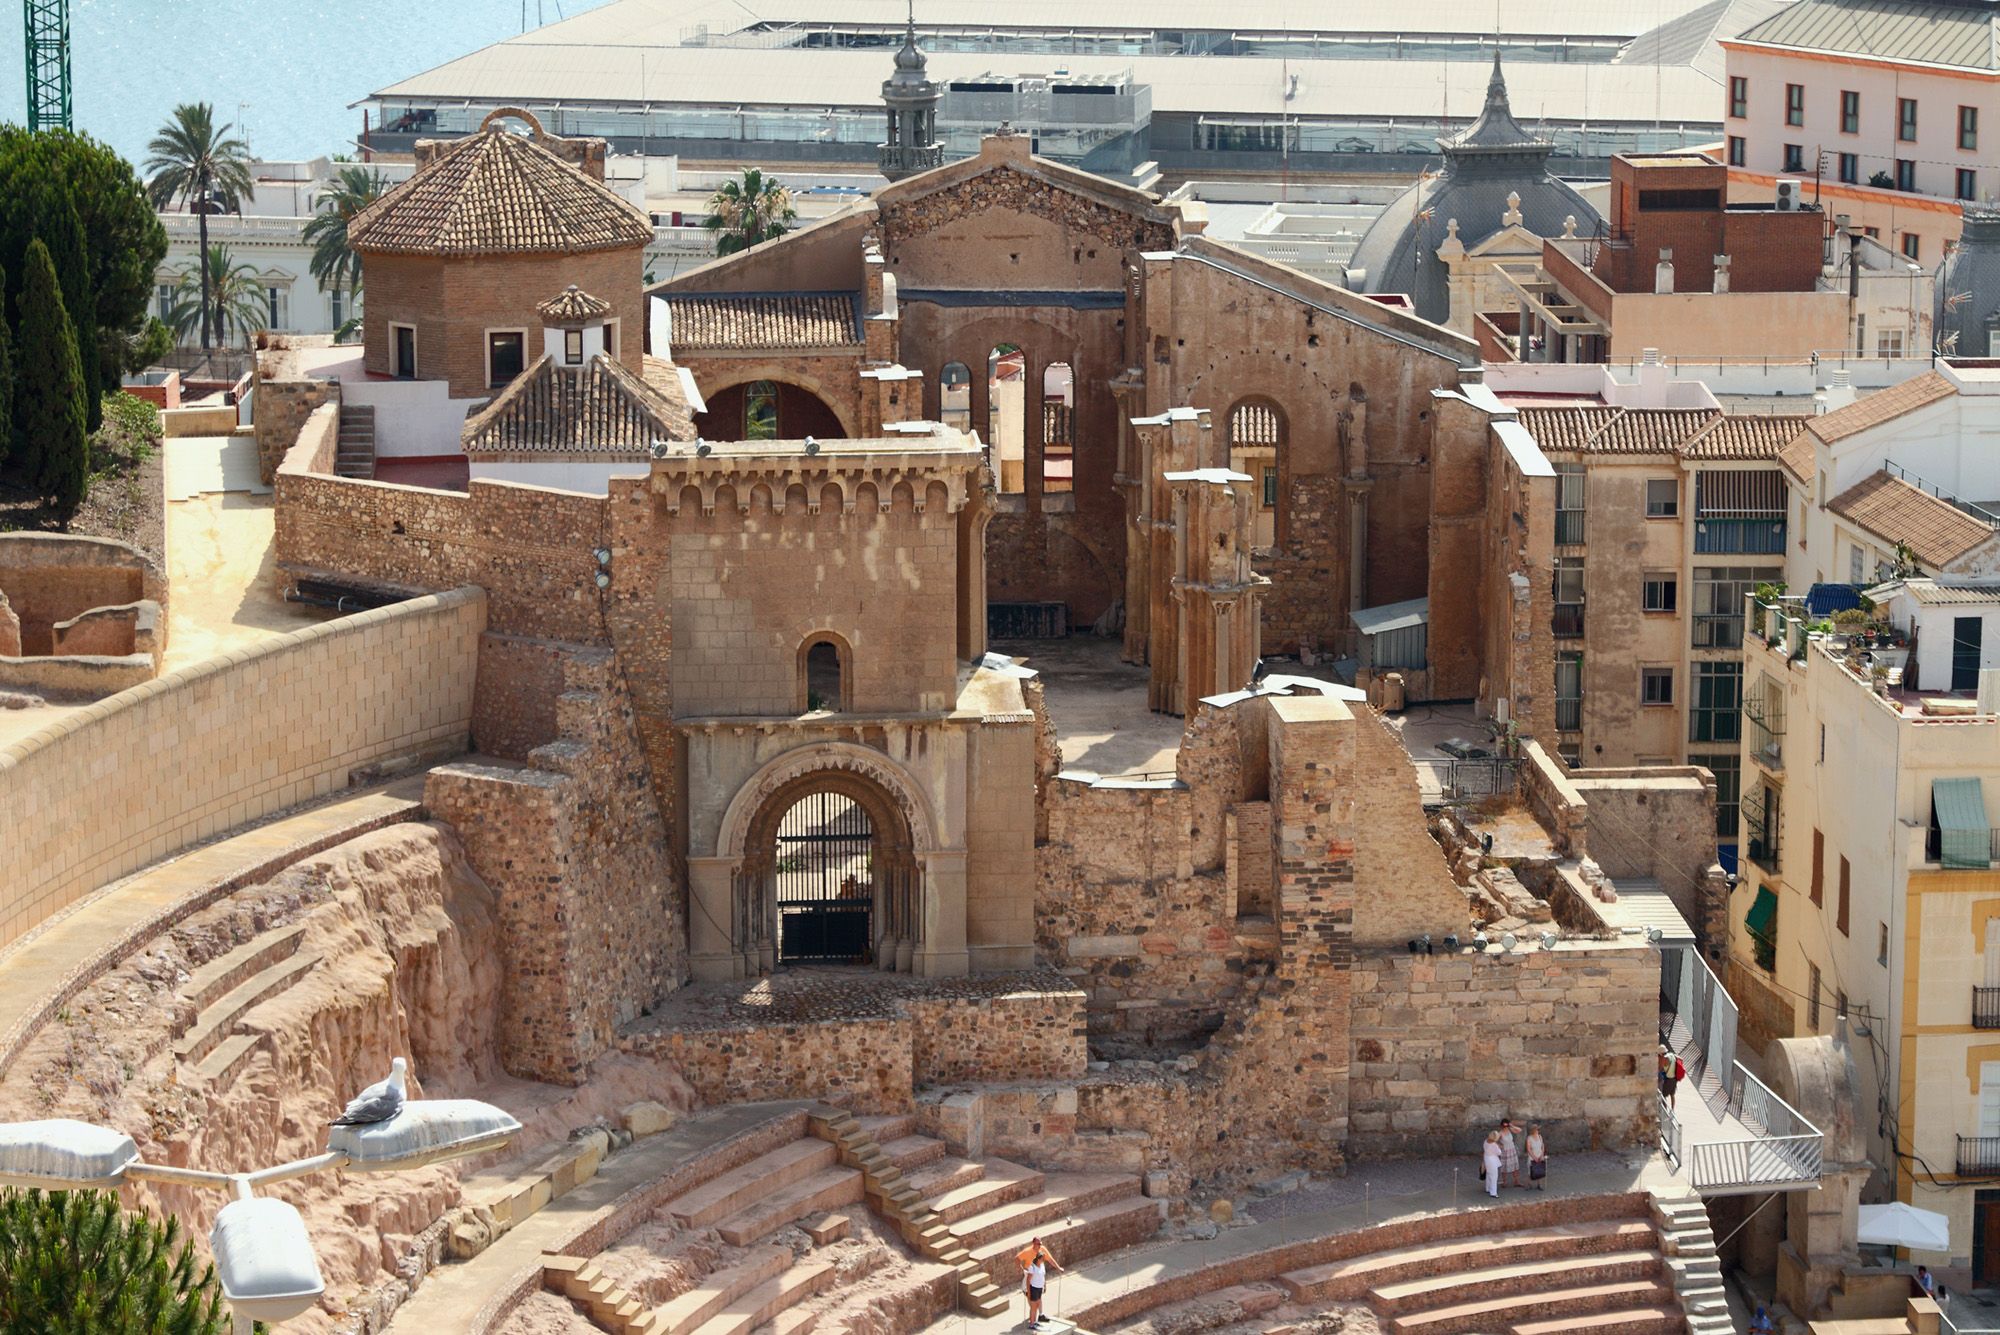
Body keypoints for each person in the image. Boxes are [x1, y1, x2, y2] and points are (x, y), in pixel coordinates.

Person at [1017, 1236, 1062, 1326]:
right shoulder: (1027, 1253)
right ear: (1034, 1243)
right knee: (1032, 1303)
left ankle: (1040, 1316)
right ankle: (1032, 1321)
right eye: (1038, 1244)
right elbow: (1017, 1259)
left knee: (1038, 1300)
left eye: (1041, 1243)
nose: (1040, 1245)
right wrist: (1022, 1270)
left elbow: (1050, 1259)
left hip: (1038, 1281)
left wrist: (1058, 1268)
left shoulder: (1042, 1254)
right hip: (1030, 1277)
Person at [1499, 1118, 1521, 1188]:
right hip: (1505, 1151)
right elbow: (1494, 1141)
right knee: (1504, 1167)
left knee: (1515, 1166)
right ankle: (1504, 1182)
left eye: (1506, 1126)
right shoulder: (1500, 1133)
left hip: (1512, 1149)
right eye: (1504, 1126)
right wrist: (1500, 1146)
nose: (1505, 1127)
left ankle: (1516, 1181)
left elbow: (1519, 1130)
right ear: (1502, 1126)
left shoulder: (1510, 1130)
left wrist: (1511, 1126)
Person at [1525, 1123, 1548, 1189]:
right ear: (1534, 1130)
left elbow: (1542, 1146)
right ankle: (1528, 1184)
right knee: (1531, 1171)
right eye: (1537, 1129)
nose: (1538, 1130)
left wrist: (1541, 1155)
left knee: (1540, 1170)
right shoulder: (1529, 1138)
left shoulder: (1540, 1136)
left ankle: (1539, 1185)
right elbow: (1529, 1149)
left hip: (1539, 1155)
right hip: (1532, 1157)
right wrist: (1534, 1157)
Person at [1482, 1130, 1503, 1199]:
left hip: (1487, 1158)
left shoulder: (1486, 1141)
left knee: (1488, 1174)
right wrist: (1499, 1147)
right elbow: (1499, 1153)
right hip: (1492, 1160)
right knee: (1494, 1176)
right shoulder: (1494, 1145)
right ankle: (1493, 1192)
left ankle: (1488, 1188)